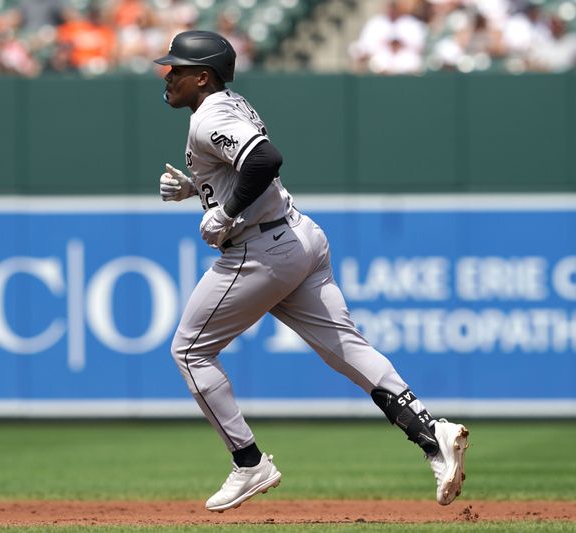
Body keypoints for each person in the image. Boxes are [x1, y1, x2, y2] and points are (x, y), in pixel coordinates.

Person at [153, 30, 470, 513]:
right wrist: (200, 190)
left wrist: (227, 211)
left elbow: (265, 159)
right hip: (299, 237)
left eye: (177, 68)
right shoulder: (228, 105)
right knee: (348, 348)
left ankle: (249, 462)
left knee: (190, 350)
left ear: (203, 76)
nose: (168, 75)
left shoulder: (211, 115)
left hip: (260, 252)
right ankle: (432, 434)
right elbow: (248, 167)